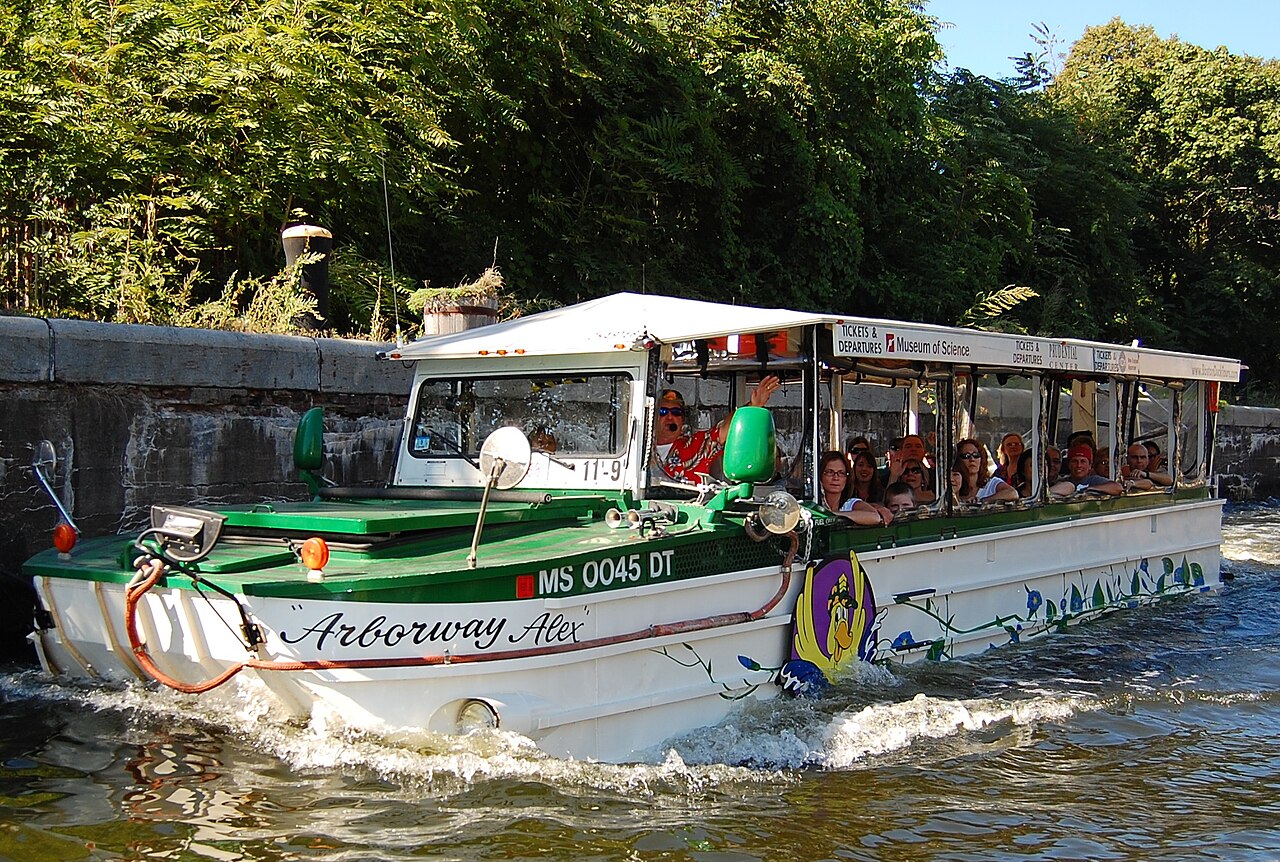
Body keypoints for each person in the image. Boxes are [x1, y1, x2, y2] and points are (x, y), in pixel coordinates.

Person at [654, 375, 781, 483]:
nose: (670, 416)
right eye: (663, 411)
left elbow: (724, 431)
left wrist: (753, 405)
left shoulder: (695, 445)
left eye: (676, 412)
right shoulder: (640, 449)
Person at [817, 450, 893, 526]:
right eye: (830, 472)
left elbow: (875, 517)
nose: (836, 477)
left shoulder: (849, 504)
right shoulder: (814, 503)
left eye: (841, 473)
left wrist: (832, 515)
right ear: (820, 476)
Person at [955, 438, 1018, 503]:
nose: (972, 459)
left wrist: (983, 501)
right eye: (966, 456)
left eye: (976, 455)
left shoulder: (992, 484)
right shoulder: (955, 485)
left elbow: (1012, 493)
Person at [1050, 443, 1124, 496]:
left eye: (1083, 461)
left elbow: (1117, 488)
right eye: (1074, 461)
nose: (1079, 465)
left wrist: (1090, 489)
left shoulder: (1093, 480)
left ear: (1090, 466)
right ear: (1068, 465)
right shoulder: (1062, 481)